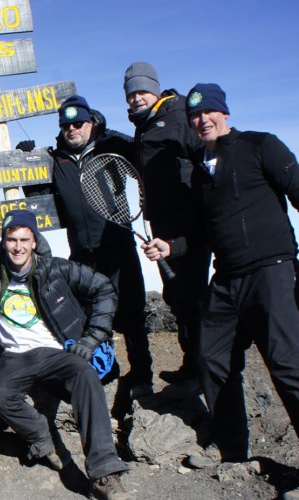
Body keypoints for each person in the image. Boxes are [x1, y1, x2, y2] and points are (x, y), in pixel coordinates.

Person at [143, 83, 299, 464]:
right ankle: (234, 453)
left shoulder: (261, 145)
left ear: (224, 112)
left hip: (272, 270)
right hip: (228, 278)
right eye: (194, 116)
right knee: (212, 358)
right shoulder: (200, 174)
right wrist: (170, 246)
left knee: (286, 363)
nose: (201, 120)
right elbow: (198, 232)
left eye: (207, 112)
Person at [0, 209, 132, 500]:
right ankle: (43, 439)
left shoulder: (57, 268)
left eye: (24, 239)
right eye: (11, 239)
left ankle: (104, 472)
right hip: (15, 356)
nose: (17, 246)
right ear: (3, 241)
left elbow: (104, 289)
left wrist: (93, 336)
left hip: (55, 352)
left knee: (85, 375)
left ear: (34, 241)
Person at [40, 95, 153, 397]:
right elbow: (40, 196)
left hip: (118, 247)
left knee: (130, 314)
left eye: (78, 123)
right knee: (88, 317)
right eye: (66, 125)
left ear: (91, 122)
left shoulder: (111, 147)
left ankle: (143, 374)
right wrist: (28, 163)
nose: (72, 129)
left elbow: (146, 162)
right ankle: (105, 373)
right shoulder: (57, 160)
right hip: (81, 254)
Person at [123, 62, 210, 390]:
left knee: (191, 295)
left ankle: (203, 371)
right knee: (178, 295)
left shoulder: (176, 115)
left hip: (187, 225)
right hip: (163, 226)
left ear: (155, 88)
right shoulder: (144, 125)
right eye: (130, 93)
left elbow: (206, 154)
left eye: (141, 90)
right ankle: (192, 365)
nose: (135, 98)